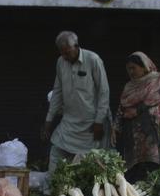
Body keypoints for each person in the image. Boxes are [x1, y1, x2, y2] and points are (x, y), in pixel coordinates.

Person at [42, 31, 111, 175]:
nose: (65, 57)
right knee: (56, 152)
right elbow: (57, 91)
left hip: (91, 124)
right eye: (62, 53)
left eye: (68, 53)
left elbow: (104, 91)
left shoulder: (93, 59)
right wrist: (49, 119)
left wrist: (99, 121)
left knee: (91, 164)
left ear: (76, 46)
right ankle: (50, 192)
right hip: (69, 121)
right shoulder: (61, 62)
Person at [114, 52, 160, 184]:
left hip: (152, 135)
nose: (131, 71)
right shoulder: (129, 87)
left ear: (144, 66)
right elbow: (121, 110)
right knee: (131, 171)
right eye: (129, 69)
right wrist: (115, 128)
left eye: (134, 68)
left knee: (152, 168)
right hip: (131, 136)